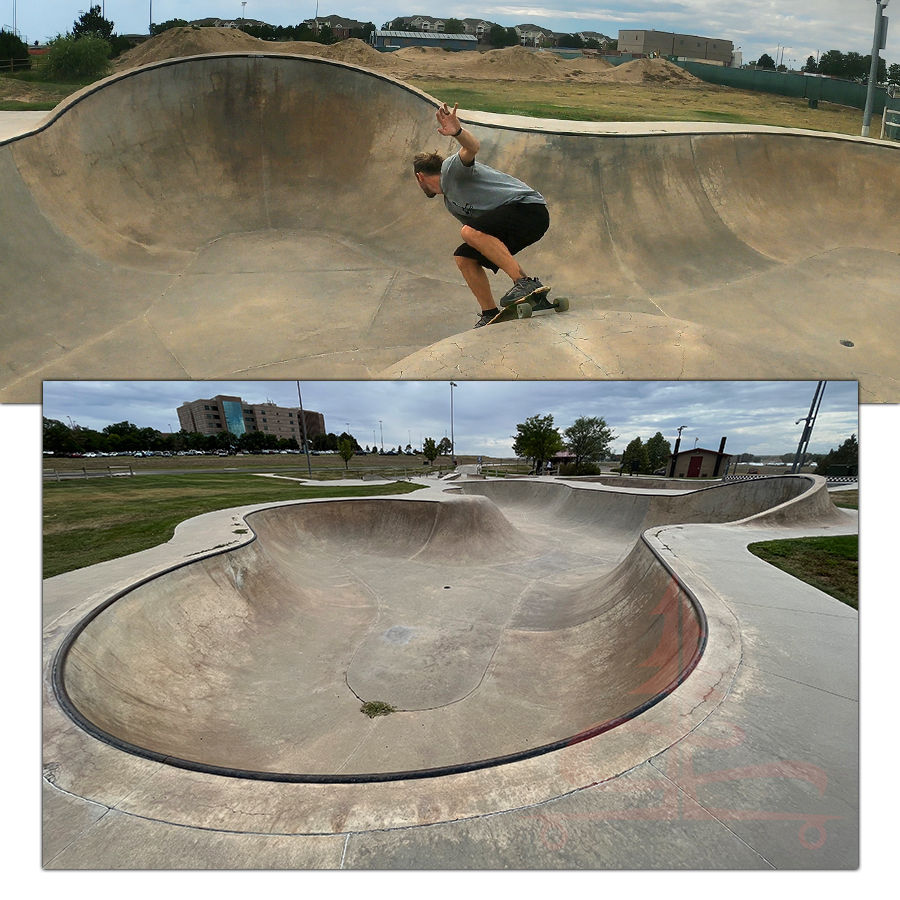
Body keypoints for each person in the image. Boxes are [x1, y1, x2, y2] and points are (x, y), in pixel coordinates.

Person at [413, 102, 550, 328]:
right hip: (521, 223)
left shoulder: (451, 169)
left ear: (420, 177)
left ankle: (523, 283)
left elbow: (472, 148)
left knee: (468, 231)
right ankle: (491, 312)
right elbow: (490, 242)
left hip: (529, 208)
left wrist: (457, 132)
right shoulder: (451, 203)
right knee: (464, 256)